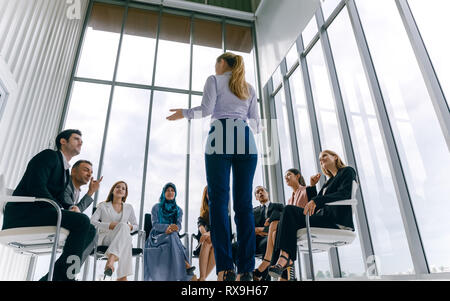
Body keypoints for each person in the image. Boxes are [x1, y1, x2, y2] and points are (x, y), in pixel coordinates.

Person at [167, 52, 262, 281]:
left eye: (216, 62)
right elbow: (257, 124)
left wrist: (185, 113)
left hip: (220, 135)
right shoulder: (249, 88)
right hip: (246, 139)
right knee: (244, 206)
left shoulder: (214, 79)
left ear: (222, 63)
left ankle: (225, 268)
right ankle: (246, 269)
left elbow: (206, 109)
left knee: (219, 203)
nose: (215, 66)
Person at [2, 129, 96, 281]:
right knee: (82, 221)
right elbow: (36, 186)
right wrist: (60, 208)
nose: (80, 142)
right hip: (25, 214)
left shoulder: (65, 173)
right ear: (63, 141)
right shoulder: (49, 156)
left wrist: (70, 208)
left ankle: (56, 277)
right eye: (76, 139)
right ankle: (66, 277)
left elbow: (60, 199)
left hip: (40, 211)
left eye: (81, 140)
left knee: (90, 229)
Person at [268, 150, 357, 279]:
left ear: (335, 157)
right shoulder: (329, 182)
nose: (321, 160)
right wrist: (312, 186)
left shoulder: (347, 171)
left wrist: (317, 200)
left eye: (324, 156)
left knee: (289, 212)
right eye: (320, 159)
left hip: (335, 220)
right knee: (288, 211)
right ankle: (284, 261)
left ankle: (283, 263)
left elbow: (345, 193)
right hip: (323, 217)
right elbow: (315, 203)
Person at [144, 183, 195, 281]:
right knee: (173, 235)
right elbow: (155, 225)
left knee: (173, 234)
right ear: (163, 193)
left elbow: (179, 226)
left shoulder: (178, 210)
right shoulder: (156, 207)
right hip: (156, 237)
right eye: (167, 190)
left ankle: (185, 265)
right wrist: (167, 228)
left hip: (172, 236)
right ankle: (186, 264)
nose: (170, 192)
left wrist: (173, 228)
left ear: (175, 193)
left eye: (172, 190)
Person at [90, 181, 138, 281]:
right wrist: (108, 225)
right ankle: (122, 277)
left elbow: (136, 226)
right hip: (106, 238)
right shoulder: (102, 206)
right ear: (113, 190)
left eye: (123, 188)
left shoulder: (129, 207)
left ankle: (111, 261)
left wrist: (131, 227)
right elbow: (92, 222)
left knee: (124, 228)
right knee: (126, 239)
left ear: (125, 193)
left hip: (122, 239)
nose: (120, 189)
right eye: (118, 187)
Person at [251, 186, 284, 281]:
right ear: (256, 197)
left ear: (267, 193)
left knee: (265, 244)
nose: (260, 192)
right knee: (235, 247)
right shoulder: (253, 211)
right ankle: (244, 275)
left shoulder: (278, 206)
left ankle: (263, 278)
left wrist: (264, 229)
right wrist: (258, 230)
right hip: (256, 239)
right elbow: (250, 228)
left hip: (270, 238)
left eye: (262, 190)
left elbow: (282, 220)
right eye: (257, 192)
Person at [194, 186, 215, 281]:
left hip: (217, 242)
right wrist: (206, 234)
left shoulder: (222, 211)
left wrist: (210, 234)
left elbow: (221, 229)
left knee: (215, 246)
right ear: (205, 195)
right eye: (208, 192)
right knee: (208, 241)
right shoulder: (203, 214)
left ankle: (202, 278)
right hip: (204, 243)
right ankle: (202, 278)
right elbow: (200, 226)